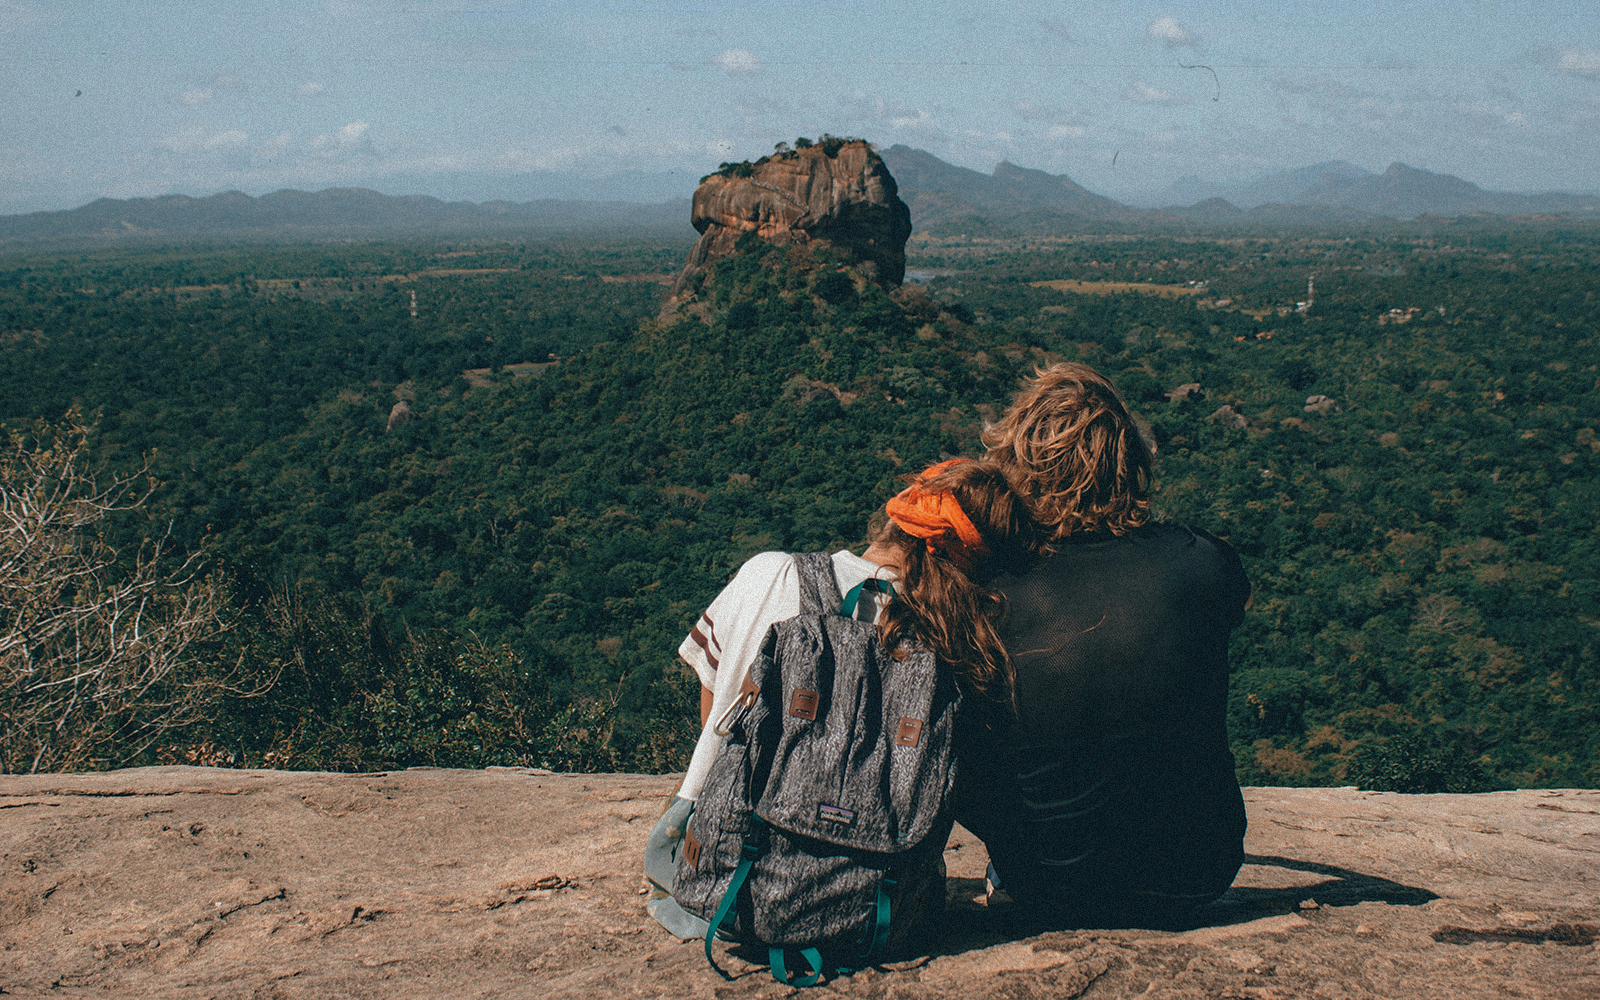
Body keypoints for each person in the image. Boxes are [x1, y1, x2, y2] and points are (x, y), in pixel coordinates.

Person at [644, 458, 1042, 938]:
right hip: (872, 894)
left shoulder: (770, 573)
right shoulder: (956, 641)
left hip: (718, 873)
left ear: (895, 517)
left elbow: (714, 711)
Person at [960, 361, 1252, 926]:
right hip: (1198, 871)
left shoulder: (988, 592)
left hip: (1048, 880)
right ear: (1130, 461)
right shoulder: (1204, 563)